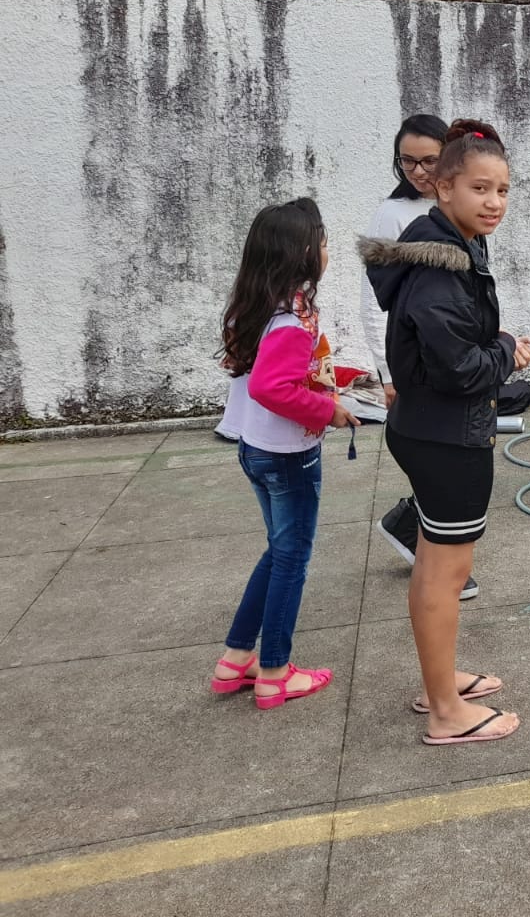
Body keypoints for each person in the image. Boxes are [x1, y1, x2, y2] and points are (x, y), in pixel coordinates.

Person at [361, 119, 530, 746]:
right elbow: (459, 366)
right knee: (444, 574)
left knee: (439, 568)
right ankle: (444, 713)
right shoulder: (440, 264)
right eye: (480, 189)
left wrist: (492, 348)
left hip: (431, 426)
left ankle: (440, 685)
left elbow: (450, 347)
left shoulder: (448, 243)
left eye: (504, 190)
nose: (495, 203)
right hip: (446, 435)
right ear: (444, 189)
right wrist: (508, 350)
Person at [211, 198, 360, 709]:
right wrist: (330, 412)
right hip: (289, 458)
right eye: (322, 243)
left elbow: (275, 376)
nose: (327, 251)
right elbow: (273, 388)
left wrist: (337, 379)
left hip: (257, 450)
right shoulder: (292, 322)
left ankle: (236, 660)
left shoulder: (259, 308)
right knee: (292, 559)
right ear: (301, 254)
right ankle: (275, 671)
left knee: (279, 552)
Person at [365, 115, 479, 602]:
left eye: (428, 160)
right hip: (420, 366)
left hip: (455, 358)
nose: (416, 170)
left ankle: (429, 545)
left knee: (454, 463)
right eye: (407, 160)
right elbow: (375, 306)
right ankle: (426, 550)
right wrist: (387, 375)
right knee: (438, 465)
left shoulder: (457, 202)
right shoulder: (393, 217)